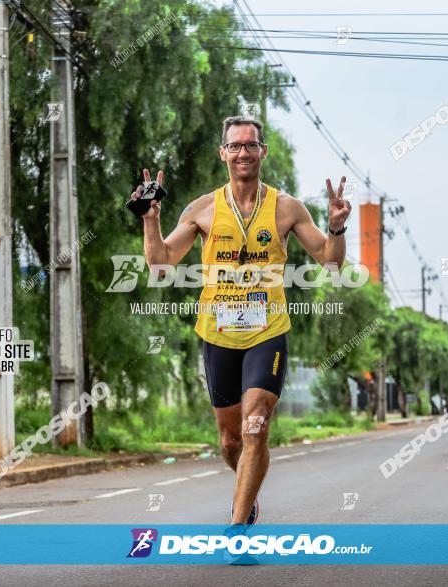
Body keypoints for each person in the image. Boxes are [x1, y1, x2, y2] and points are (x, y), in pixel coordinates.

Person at [133, 115, 352, 555]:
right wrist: (151, 219)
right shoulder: (201, 209)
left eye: (251, 145)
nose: (243, 153)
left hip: (267, 332)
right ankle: (247, 497)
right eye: (235, 146)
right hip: (218, 334)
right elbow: (159, 264)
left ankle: (236, 531)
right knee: (231, 441)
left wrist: (337, 227)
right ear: (223, 154)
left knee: (256, 428)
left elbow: (330, 264)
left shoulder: (288, 208)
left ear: (262, 152)